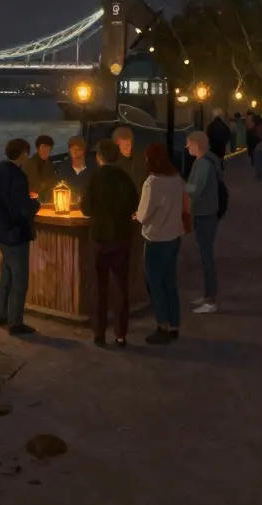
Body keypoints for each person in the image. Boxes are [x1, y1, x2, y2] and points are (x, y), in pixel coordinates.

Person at [80, 140, 139, 347]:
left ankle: (99, 334)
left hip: (100, 238)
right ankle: (121, 334)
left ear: (99, 158)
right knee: (121, 288)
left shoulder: (95, 179)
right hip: (122, 238)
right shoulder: (125, 178)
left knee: (100, 287)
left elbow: (85, 208)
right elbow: (134, 204)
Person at [0, 138, 41, 335]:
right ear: (23, 154)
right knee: (19, 280)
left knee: (6, 276)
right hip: (16, 235)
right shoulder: (18, 177)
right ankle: (15, 323)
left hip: (0, 232)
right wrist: (36, 205)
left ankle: (1, 314)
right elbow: (22, 209)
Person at [135, 143, 187, 345]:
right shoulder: (176, 179)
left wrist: (137, 215)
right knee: (170, 283)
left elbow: (144, 216)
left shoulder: (152, 182)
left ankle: (162, 326)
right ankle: (174, 325)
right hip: (174, 236)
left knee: (155, 284)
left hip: (156, 238)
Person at [185, 131, 222, 314]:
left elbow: (195, 189)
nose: (186, 147)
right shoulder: (206, 160)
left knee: (206, 257)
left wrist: (181, 188)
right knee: (204, 256)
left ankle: (210, 300)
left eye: (189, 143)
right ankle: (207, 295)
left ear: (197, 144)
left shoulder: (203, 164)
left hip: (205, 214)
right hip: (206, 213)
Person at [54, 135, 93, 204]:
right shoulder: (63, 168)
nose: (75, 152)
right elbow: (59, 187)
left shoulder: (92, 168)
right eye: (72, 149)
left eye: (78, 150)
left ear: (84, 151)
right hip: (67, 204)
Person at [111, 126, 148, 191]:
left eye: (129, 145)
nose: (128, 149)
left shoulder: (141, 158)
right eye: (124, 146)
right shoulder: (113, 163)